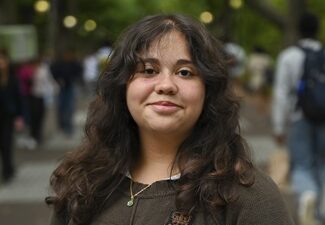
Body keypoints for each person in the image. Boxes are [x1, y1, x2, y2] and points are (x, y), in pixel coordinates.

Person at [46, 14, 294, 225]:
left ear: (208, 90)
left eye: (185, 72)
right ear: (122, 85)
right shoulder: (83, 182)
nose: (166, 85)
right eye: (148, 70)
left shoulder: (249, 198)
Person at [272, 12, 325, 225]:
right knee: (323, 162)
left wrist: (278, 126)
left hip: (299, 116)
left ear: (299, 30)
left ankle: (307, 196)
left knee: (302, 164)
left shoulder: (289, 56)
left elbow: (281, 93)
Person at [0, 48, 24, 183]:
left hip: (8, 116)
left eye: (2, 59)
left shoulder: (13, 78)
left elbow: (19, 98)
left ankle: (8, 171)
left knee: (6, 143)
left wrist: (19, 116)